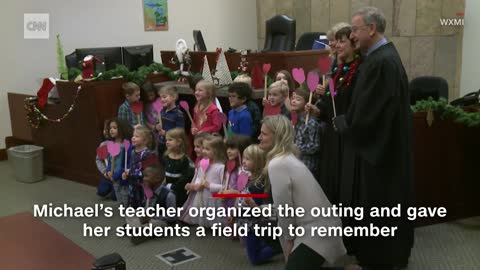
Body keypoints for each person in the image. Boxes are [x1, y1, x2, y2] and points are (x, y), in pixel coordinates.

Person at [333, 7, 414, 269]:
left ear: (372, 29)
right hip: (386, 146)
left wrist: (345, 123)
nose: (352, 35)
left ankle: (378, 260)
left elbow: (369, 114)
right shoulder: (381, 57)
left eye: (355, 30)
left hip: (381, 152)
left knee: (379, 205)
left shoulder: (381, 62)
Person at [258, 115, 346, 269]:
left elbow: (284, 207)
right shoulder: (286, 158)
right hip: (316, 225)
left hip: (318, 230)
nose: (259, 137)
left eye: (264, 134)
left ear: (277, 136)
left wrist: (289, 240)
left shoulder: (278, 163)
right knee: (263, 226)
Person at [307, 25, 362, 204]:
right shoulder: (339, 69)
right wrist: (318, 110)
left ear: (354, 45)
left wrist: (329, 97)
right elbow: (331, 102)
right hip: (333, 133)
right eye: (335, 41)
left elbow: (350, 103)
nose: (336, 45)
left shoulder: (360, 69)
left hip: (348, 134)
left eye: (341, 41)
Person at [126, 163, 177, 245]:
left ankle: (140, 231)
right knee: (130, 214)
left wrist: (151, 217)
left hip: (162, 221)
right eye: (143, 176)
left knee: (154, 223)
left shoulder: (169, 195)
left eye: (146, 176)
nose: (143, 179)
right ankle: (141, 230)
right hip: (149, 218)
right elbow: (146, 207)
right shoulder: (147, 189)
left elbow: (173, 217)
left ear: (157, 178)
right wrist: (143, 214)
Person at [181, 135, 226, 227]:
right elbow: (199, 177)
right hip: (202, 195)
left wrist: (210, 185)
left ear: (217, 151)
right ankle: (205, 224)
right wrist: (193, 185)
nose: (203, 151)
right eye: (204, 148)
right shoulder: (203, 163)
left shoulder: (221, 167)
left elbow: (224, 186)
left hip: (213, 197)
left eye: (207, 149)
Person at [291, 87, 323, 179]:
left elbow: (314, 146)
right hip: (294, 163)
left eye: (298, 99)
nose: (293, 101)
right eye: (292, 98)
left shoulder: (311, 123)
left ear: (307, 103)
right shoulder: (293, 120)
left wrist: (296, 147)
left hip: (307, 166)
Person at [122, 126, 157, 208]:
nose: (133, 138)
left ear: (145, 140)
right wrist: (127, 173)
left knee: (142, 207)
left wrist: (130, 172)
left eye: (137, 136)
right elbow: (133, 167)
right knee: (133, 205)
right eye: (133, 136)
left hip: (143, 187)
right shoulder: (133, 152)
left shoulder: (147, 154)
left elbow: (147, 173)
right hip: (133, 184)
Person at [102, 118, 133, 206]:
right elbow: (110, 159)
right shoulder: (111, 144)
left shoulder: (127, 145)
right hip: (113, 175)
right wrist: (108, 170)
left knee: (124, 193)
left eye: (114, 128)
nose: (111, 130)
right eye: (110, 128)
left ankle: (127, 208)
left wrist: (118, 174)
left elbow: (129, 162)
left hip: (122, 175)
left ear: (122, 129)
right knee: (117, 192)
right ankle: (121, 206)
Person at [161, 128, 194, 208]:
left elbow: (186, 177)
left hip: (179, 190)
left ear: (179, 142)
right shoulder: (166, 156)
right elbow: (163, 171)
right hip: (167, 188)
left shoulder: (185, 160)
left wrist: (173, 186)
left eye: (170, 140)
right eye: (166, 140)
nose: (167, 142)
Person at [219, 134, 252, 208]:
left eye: (232, 148)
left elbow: (244, 192)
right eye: (227, 148)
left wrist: (232, 192)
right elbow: (225, 183)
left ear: (242, 149)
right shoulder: (228, 165)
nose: (228, 151)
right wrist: (222, 191)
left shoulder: (245, 171)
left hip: (237, 206)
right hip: (226, 204)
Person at [156, 85, 185, 158]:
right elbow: (158, 124)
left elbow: (180, 131)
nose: (162, 99)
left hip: (172, 146)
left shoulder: (178, 114)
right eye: (161, 97)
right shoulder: (162, 111)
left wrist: (165, 133)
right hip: (161, 143)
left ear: (174, 97)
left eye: (164, 97)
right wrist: (156, 126)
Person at [234, 75, 262, 140]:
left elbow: (257, 123)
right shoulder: (234, 105)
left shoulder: (252, 107)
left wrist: (247, 133)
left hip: (247, 138)